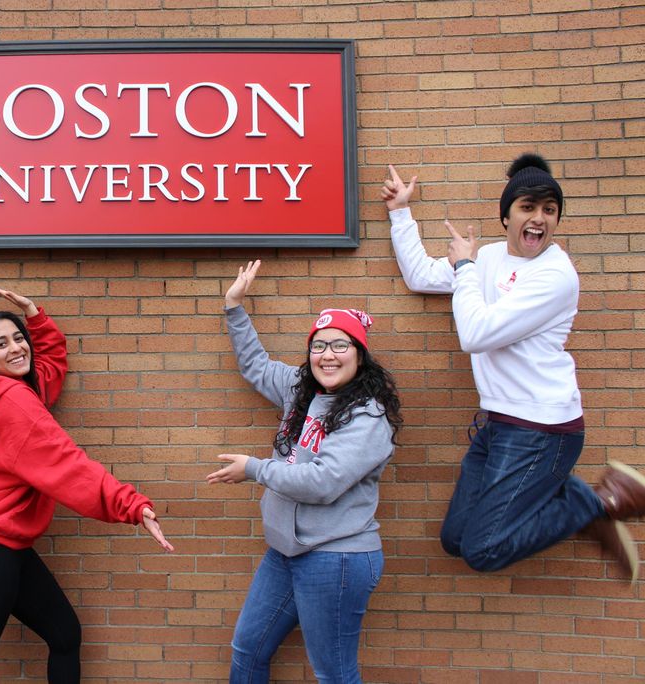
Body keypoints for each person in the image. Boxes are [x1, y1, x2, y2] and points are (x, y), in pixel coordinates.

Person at [382, 152, 645, 580]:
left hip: (542, 429)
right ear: (506, 216)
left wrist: (465, 267)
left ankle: (598, 502)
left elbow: (476, 334)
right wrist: (400, 212)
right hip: (501, 424)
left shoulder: (555, 276)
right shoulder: (487, 259)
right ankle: (579, 505)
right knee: (456, 539)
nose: (539, 218)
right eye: (528, 207)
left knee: (483, 550)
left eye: (549, 209)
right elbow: (421, 276)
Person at [0, 285, 173, 684]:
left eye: (18, 338)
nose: (17, 348)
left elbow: (48, 368)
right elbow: (69, 466)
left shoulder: (0, 395)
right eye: (1, 344)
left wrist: (34, 316)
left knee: (64, 634)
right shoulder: (13, 404)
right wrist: (130, 505)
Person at [208, 260, 402, 684]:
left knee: (333, 674)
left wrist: (254, 469)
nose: (327, 355)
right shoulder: (301, 390)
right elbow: (256, 367)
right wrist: (234, 307)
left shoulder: (369, 416)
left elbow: (322, 482)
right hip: (286, 552)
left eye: (340, 345)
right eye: (319, 345)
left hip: (337, 558)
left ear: (359, 355)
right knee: (248, 649)